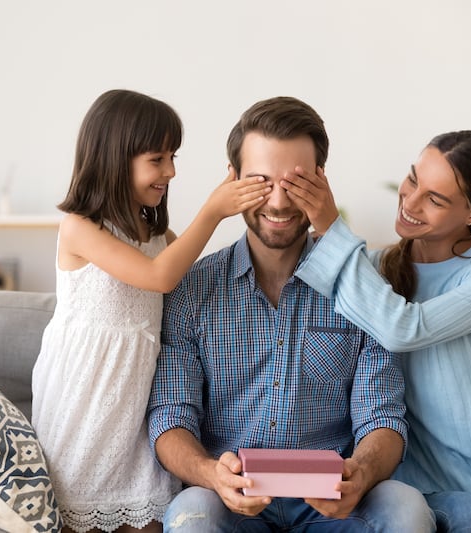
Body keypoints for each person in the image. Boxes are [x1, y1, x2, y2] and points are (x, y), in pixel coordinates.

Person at [146, 96, 435, 533]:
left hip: (333, 503)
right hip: (230, 500)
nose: (278, 202)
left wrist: (361, 472)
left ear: (321, 180)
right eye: (261, 181)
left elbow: (383, 416)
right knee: (193, 518)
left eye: (296, 183)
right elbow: (170, 415)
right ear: (233, 179)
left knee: (407, 510)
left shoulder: (361, 290)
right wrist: (211, 475)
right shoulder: (192, 290)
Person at [280, 130, 471, 532]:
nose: (410, 201)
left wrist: (332, 226)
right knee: (466, 517)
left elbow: (403, 328)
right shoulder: (377, 269)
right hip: (429, 485)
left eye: (435, 199)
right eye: (413, 179)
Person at [31, 89, 270, 533]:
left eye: (173, 157)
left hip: (132, 411)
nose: (171, 172)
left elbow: (195, 284)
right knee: (74, 512)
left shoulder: (157, 234)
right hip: (84, 404)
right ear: (114, 158)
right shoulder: (80, 229)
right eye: (157, 159)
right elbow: (160, 277)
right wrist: (214, 211)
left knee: (147, 517)